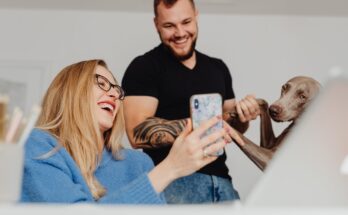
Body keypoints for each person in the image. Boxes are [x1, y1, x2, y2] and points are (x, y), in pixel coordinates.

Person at [20, 59, 243, 204]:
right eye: (101, 83)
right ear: (70, 90)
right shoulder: (40, 147)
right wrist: (170, 168)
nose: (114, 95)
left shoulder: (138, 163)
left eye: (117, 90)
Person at [121, 0, 260, 204]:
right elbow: (136, 132)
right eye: (169, 25)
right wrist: (203, 125)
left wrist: (244, 114)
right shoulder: (143, 67)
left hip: (222, 182)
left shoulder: (218, 67)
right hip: (175, 183)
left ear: (196, 15)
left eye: (186, 21)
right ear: (156, 24)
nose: (180, 32)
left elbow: (231, 125)